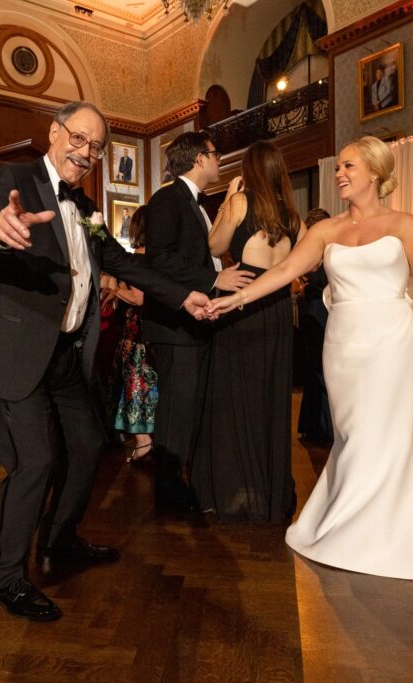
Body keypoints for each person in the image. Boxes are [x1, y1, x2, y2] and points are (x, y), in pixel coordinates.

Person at [0, 101, 211, 621]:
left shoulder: (87, 207)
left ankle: (60, 537)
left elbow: (121, 263)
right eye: (78, 139)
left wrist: (186, 295)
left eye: (96, 146)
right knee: (34, 462)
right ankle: (5, 578)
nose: (86, 152)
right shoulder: (14, 177)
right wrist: (0, 233)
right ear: (54, 132)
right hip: (14, 353)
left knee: (90, 444)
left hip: (65, 355)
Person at [208, 136, 413, 580]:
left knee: (378, 431)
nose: (339, 174)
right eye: (338, 168)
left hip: (390, 339)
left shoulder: (406, 225)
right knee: (353, 431)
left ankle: (369, 533)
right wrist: (237, 299)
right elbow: (286, 271)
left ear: (375, 173)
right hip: (342, 341)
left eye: (348, 167)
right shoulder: (326, 231)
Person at [192, 140, 304, 523]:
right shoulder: (293, 215)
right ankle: (269, 491)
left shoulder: (242, 203)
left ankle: (237, 490)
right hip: (276, 311)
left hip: (241, 305)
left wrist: (228, 201)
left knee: (232, 398)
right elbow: (296, 268)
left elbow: (214, 244)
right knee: (270, 399)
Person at [142, 131, 254, 510]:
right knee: (175, 411)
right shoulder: (167, 199)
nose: (219, 159)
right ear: (198, 159)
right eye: (214, 153)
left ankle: (182, 484)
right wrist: (212, 279)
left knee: (187, 409)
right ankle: (170, 496)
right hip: (173, 328)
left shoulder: (199, 203)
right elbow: (159, 259)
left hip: (194, 323)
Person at [106, 206, 159, 463]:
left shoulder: (139, 257)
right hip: (152, 330)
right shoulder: (159, 257)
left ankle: (143, 441)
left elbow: (138, 298)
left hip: (136, 333)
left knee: (135, 384)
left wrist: (116, 290)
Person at [295, 208, 332, 443]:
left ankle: (317, 427)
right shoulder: (319, 248)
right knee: (320, 370)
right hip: (317, 311)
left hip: (318, 309)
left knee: (319, 370)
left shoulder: (325, 248)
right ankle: (321, 427)